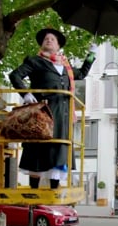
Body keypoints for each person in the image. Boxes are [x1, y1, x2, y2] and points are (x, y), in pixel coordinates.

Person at [9, 28, 96, 189]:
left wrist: (91, 55)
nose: (48, 40)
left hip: (62, 116)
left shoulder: (65, 66)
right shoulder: (35, 61)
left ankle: (54, 191)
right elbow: (15, 75)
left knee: (59, 152)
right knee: (38, 151)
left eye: (52, 39)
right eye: (46, 39)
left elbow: (82, 73)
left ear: (58, 46)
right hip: (43, 113)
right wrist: (26, 94)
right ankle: (34, 193)